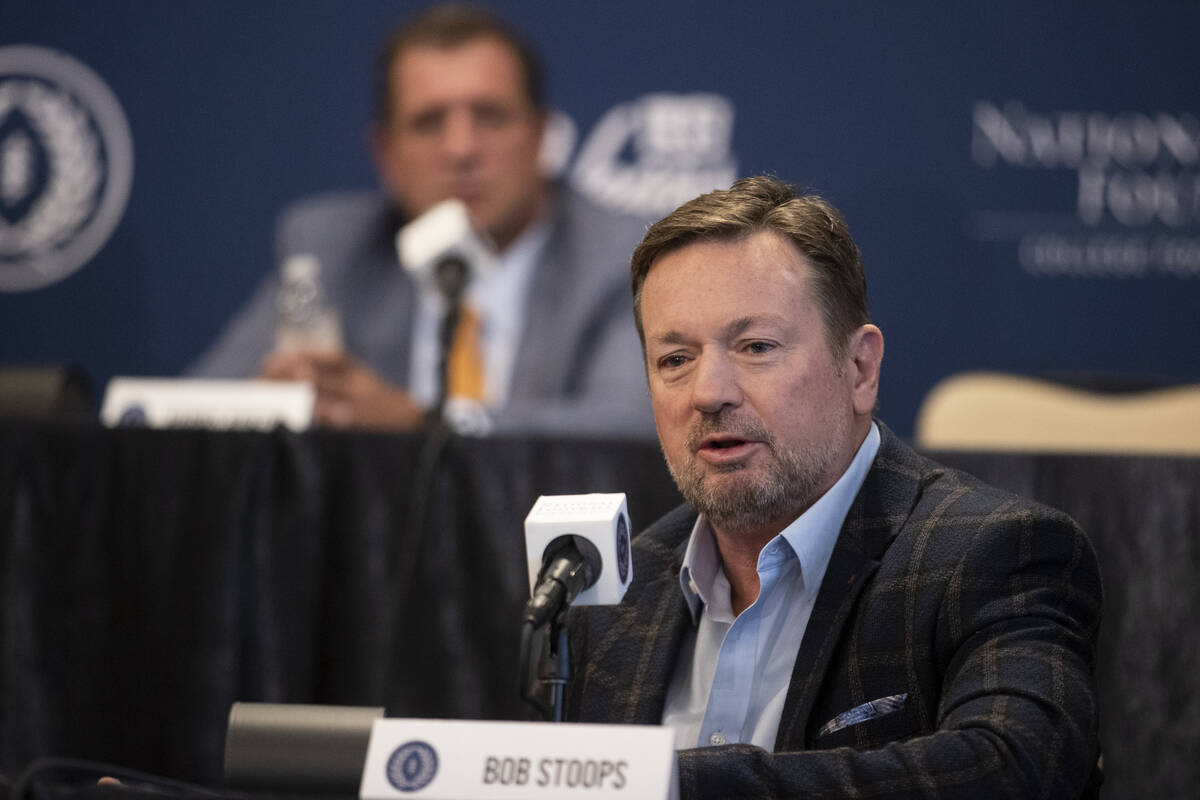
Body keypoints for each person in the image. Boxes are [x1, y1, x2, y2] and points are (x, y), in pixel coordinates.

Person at [565, 176, 1103, 798]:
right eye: (674, 359)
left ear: (860, 369)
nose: (708, 392)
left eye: (756, 346)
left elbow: (1015, 771)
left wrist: (664, 783)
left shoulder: (994, 554)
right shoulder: (612, 595)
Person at [189, 3, 654, 437]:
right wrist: (268, 403)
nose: (461, 150)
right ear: (386, 154)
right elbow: (186, 416)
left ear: (540, 137)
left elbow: (626, 427)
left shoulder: (620, 256)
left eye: (490, 117)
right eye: (429, 123)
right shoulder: (334, 249)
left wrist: (419, 423)